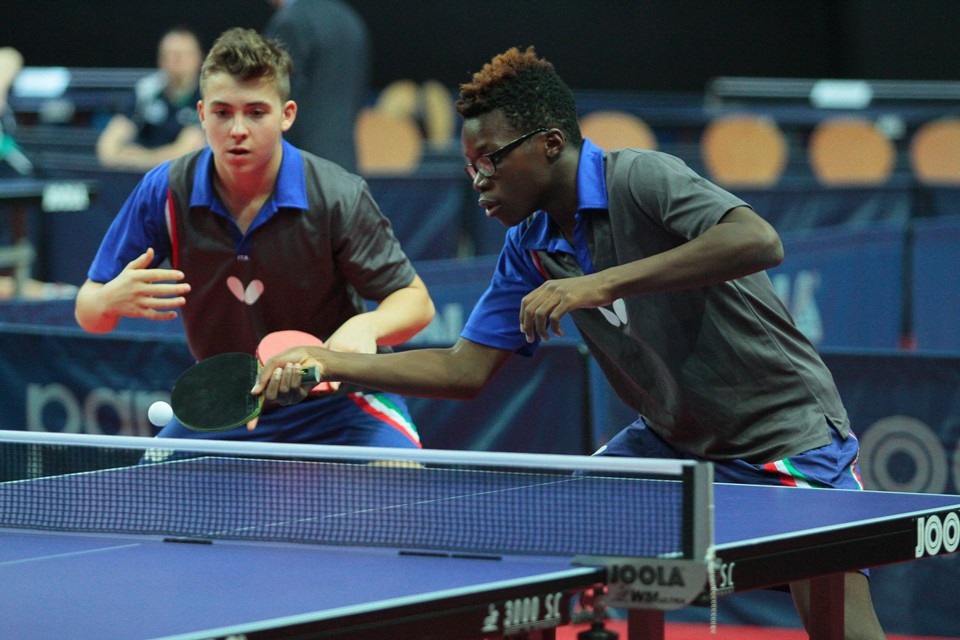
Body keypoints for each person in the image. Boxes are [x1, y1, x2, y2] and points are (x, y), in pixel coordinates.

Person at [253, 46, 888, 638]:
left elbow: (757, 241)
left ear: (550, 144)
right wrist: (332, 360)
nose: (477, 180)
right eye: (468, 165)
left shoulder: (639, 178)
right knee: (542, 555)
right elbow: (464, 369)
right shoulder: (527, 245)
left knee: (839, 626)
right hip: (673, 442)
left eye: (490, 160)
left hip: (784, 434)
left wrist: (597, 285)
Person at [75, 27, 434, 448]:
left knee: (401, 484)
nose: (238, 129)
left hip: (342, 403)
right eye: (223, 112)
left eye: (256, 112)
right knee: (153, 502)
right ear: (202, 114)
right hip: (224, 406)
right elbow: (89, 312)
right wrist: (107, 300)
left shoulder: (336, 195)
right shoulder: (166, 191)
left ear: (287, 115)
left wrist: (368, 326)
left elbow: (417, 302)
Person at [264, 0, 371, 172]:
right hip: (345, 160)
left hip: (301, 163)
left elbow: (276, 94)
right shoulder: (349, 19)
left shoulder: (292, 21)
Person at [95, 27, 207, 171]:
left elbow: (185, 154)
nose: (177, 61)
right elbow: (107, 147)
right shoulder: (146, 91)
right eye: (171, 55)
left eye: (184, 55)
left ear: (199, 59)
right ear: (160, 60)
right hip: (140, 180)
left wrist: (141, 157)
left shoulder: (206, 97)